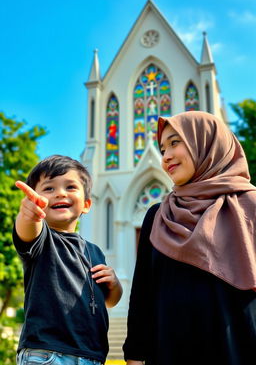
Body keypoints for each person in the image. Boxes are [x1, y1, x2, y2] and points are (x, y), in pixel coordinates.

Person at [123, 111, 256, 365]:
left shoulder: (250, 207)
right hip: (170, 352)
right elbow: (142, 295)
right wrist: (135, 355)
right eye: (162, 149)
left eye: (175, 142)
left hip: (239, 350)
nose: (166, 157)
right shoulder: (158, 216)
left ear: (205, 142)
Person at [13, 155, 122, 365]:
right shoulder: (42, 239)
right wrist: (29, 214)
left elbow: (109, 300)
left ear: (87, 204)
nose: (60, 193)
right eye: (49, 188)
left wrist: (114, 284)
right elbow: (27, 230)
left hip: (91, 356)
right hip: (47, 353)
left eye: (70, 187)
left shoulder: (95, 251)